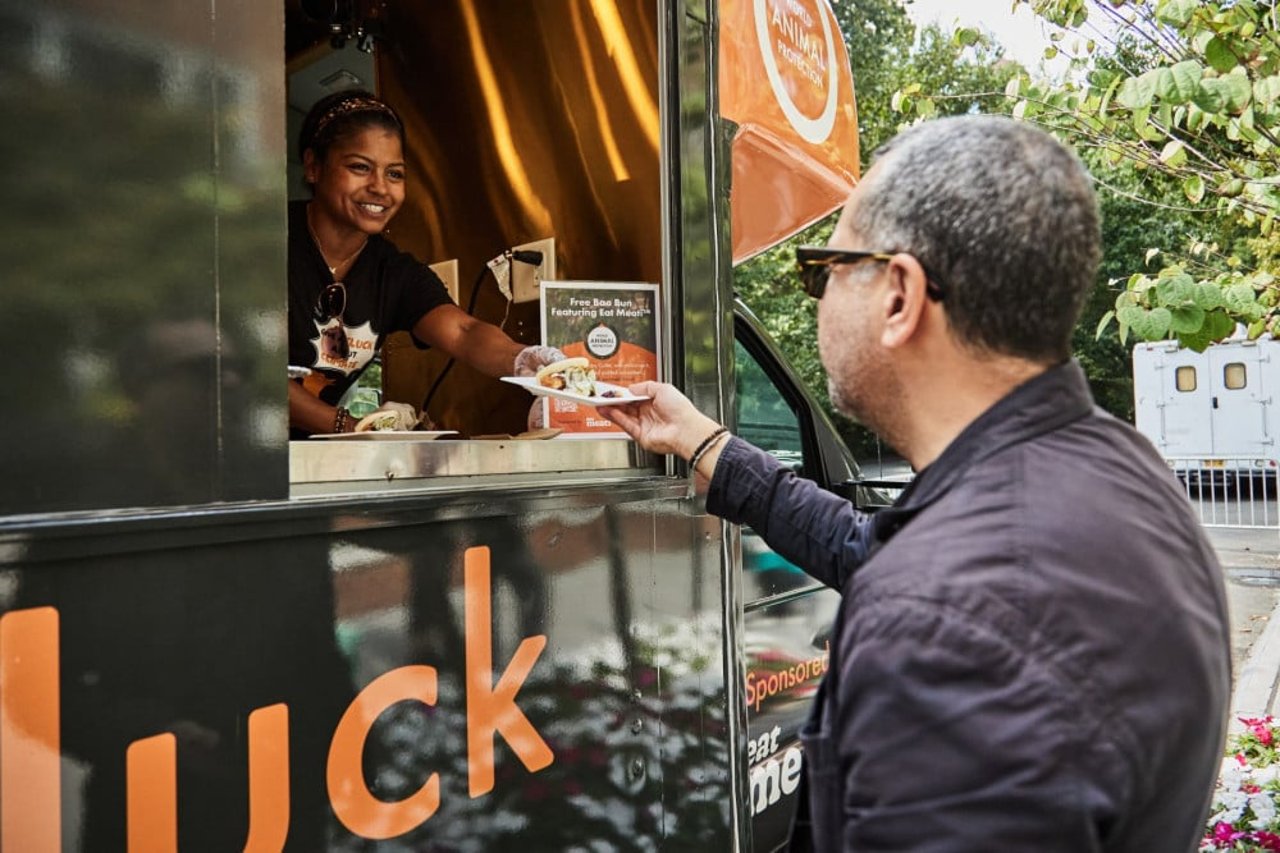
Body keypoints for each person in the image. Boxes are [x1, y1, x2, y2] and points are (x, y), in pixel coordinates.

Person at [602, 115, 1231, 851]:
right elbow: (871, 544)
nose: (820, 302)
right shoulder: (1111, 469)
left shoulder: (948, 623)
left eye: (823, 271)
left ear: (898, 295)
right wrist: (703, 441)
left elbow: (928, 587)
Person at [289, 89, 559, 436]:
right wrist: (351, 428)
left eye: (395, 174)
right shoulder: (263, 242)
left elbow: (463, 332)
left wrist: (523, 359)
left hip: (300, 463)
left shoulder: (394, 272)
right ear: (313, 166)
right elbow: (239, 378)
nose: (380, 188)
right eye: (360, 167)